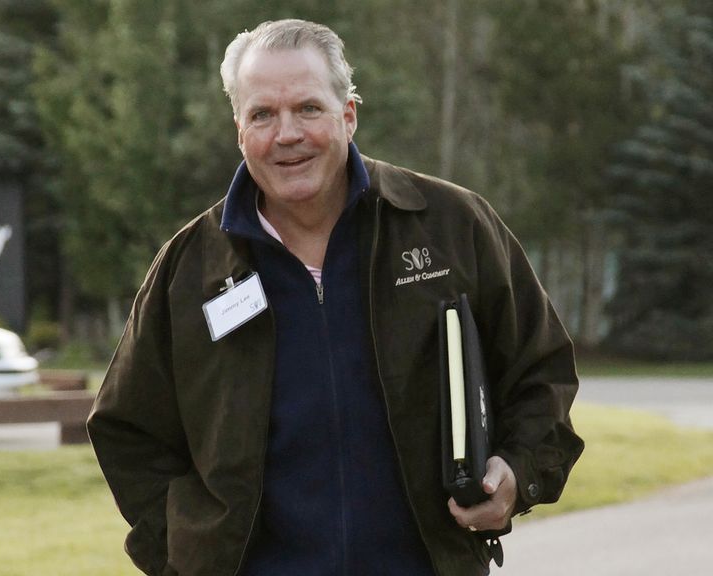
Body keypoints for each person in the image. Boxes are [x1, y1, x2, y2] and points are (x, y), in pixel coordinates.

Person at [87, 18, 584, 576]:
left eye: (307, 108)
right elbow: (126, 430)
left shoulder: (450, 227)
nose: (287, 134)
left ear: (348, 114)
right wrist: (186, 554)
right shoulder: (189, 269)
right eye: (262, 115)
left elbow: (541, 374)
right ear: (239, 130)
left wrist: (518, 473)